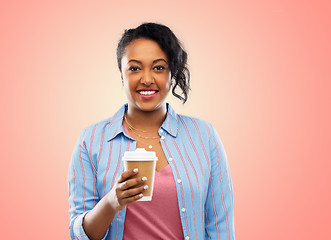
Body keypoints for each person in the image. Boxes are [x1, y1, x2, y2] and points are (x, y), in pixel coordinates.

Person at [68, 22, 234, 240]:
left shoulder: (204, 136)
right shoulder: (90, 141)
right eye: (135, 68)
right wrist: (111, 202)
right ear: (121, 74)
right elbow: (79, 235)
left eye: (158, 67)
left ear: (171, 74)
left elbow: (221, 226)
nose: (146, 79)